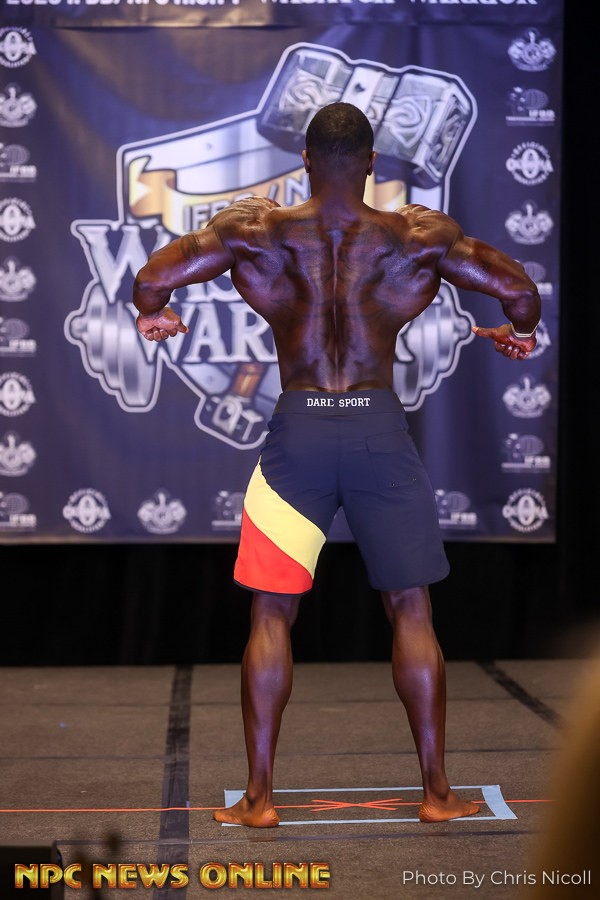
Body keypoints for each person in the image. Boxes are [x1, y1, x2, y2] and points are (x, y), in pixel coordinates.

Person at [133, 102, 541, 827]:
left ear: (306, 160)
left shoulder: (255, 229)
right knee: (410, 608)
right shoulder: (416, 235)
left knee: (271, 611)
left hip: (299, 435)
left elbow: (152, 279)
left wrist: (155, 313)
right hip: (379, 430)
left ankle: (259, 800)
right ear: (373, 163)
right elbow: (520, 292)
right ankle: (437, 794)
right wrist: (519, 332)